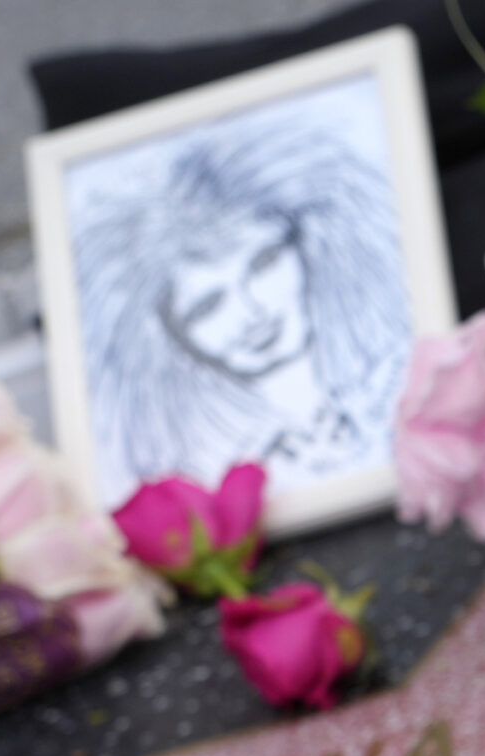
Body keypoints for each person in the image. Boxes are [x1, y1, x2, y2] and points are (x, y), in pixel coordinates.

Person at [70, 105, 408, 505]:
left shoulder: (403, 376)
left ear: (304, 248)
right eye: (207, 306)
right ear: (174, 332)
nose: (250, 312)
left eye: (263, 263)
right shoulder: (203, 475)